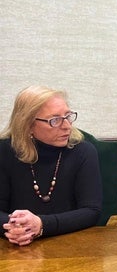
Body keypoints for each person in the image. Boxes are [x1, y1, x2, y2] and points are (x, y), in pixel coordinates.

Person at [0, 86, 102, 246]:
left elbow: (91, 211)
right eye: (55, 120)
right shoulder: (4, 151)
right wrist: (15, 227)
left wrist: (41, 225)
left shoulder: (83, 151)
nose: (67, 126)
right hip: (17, 248)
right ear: (27, 125)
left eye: (68, 116)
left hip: (72, 246)